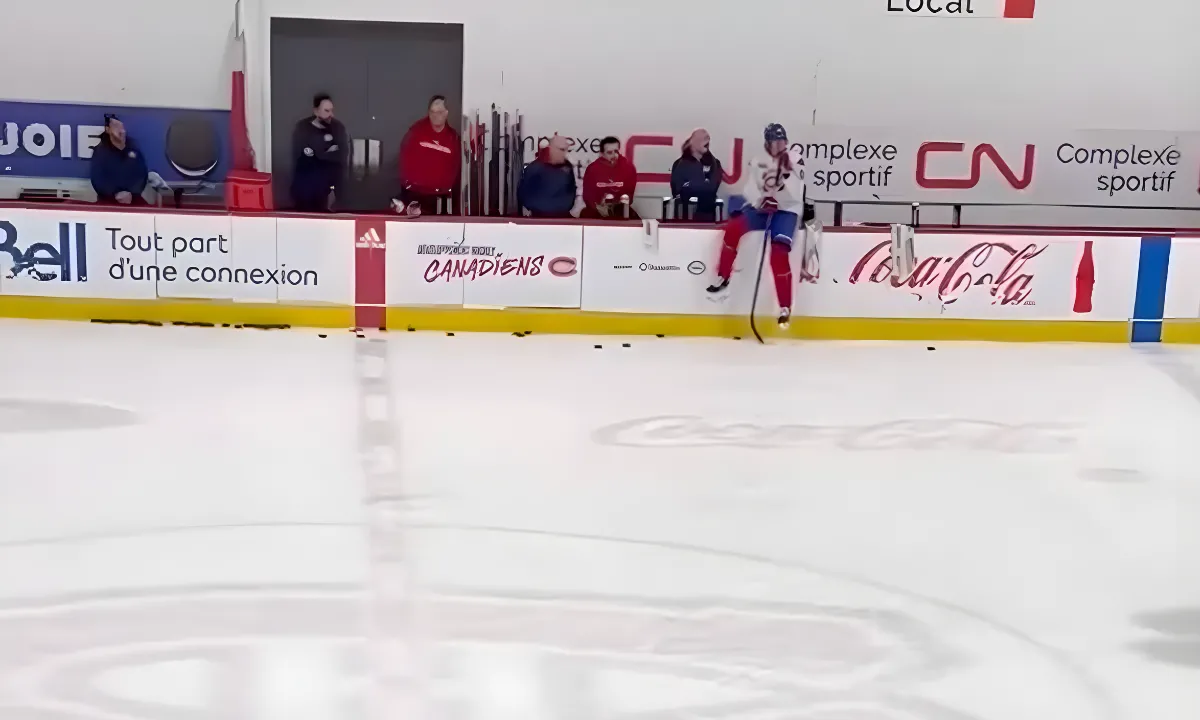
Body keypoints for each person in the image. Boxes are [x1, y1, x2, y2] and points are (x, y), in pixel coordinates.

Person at [706, 123, 805, 329]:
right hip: (762, 208)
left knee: (778, 253)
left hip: (787, 210)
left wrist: (779, 195)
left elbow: (796, 189)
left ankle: (784, 306)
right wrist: (761, 200)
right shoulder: (758, 161)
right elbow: (750, 189)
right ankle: (723, 276)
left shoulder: (795, 159)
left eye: (781, 141)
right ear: (767, 143)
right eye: (773, 141)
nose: (778, 145)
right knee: (733, 228)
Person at [395, 95, 461, 216]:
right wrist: (408, 187)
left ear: (446, 113)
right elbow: (404, 160)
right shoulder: (416, 132)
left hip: (442, 199)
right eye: (432, 112)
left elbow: (456, 168)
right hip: (415, 197)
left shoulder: (453, 138)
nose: (435, 115)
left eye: (439, 112)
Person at [290, 93, 348, 212]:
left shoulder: (337, 128)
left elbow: (341, 155)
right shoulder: (303, 128)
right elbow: (299, 156)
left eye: (331, 110)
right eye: (326, 111)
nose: (331, 114)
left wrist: (318, 154)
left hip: (330, 190)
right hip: (305, 190)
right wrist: (326, 153)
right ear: (316, 111)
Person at [90, 114, 149, 205]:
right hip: (108, 198)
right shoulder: (100, 152)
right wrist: (115, 193)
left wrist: (131, 193)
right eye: (116, 127)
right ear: (108, 129)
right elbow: (98, 179)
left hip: (133, 198)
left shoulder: (134, 148)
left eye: (122, 127)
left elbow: (142, 174)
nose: (121, 130)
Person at [670, 129, 723, 222]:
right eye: (703, 138)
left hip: (708, 220)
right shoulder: (679, 164)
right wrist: (703, 184)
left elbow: (712, 189)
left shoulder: (715, 164)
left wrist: (691, 185)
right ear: (692, 142)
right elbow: (678, 191)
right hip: (683, 220)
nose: (707, 140)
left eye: (708, 138)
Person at [580, 136, 639, 220]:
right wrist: (599, 208)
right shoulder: (592, 169)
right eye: (609, 152)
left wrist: (614, 207)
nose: (614, 155)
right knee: (585, 214)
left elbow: (629, 195)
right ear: (601, 154)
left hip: (620, 209)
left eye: (616, 151)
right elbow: (588, 197)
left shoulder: (628, 167)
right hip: (597, 210)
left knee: (632, 217)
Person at [518, 135, 577, 218]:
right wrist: (544, 209)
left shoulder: (567, 167)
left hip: (562, 219)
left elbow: (571, 190)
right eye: (561, 149)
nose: (564, 153)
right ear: (551, 148)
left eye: (566, 150)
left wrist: (564, 208)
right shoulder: (534, 168)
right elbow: (524, 194)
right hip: (540, 219)